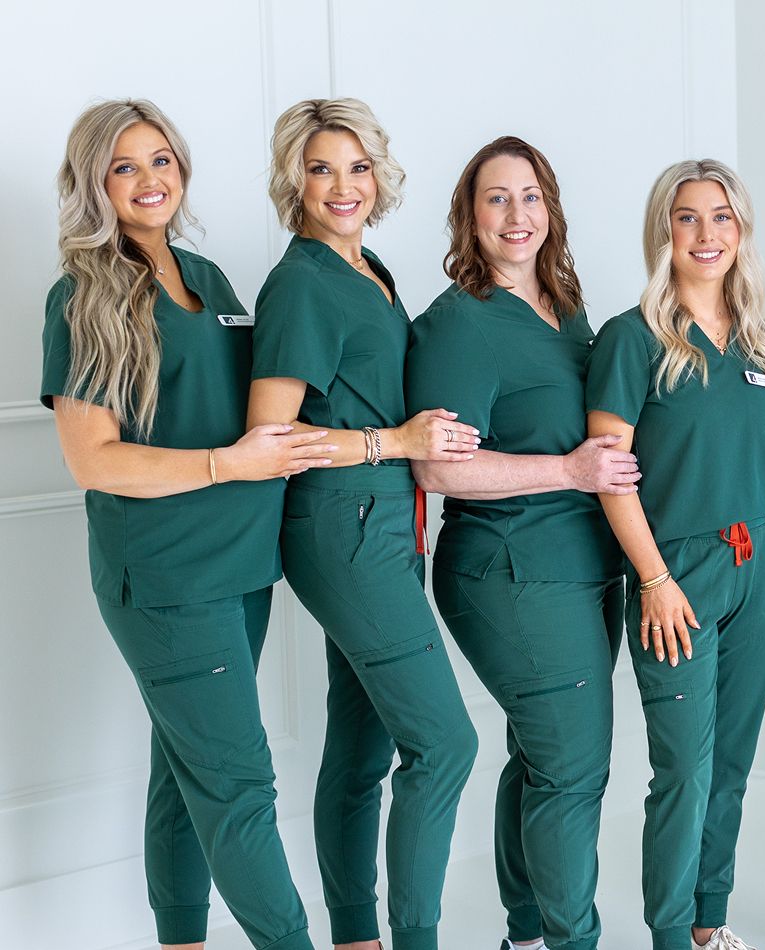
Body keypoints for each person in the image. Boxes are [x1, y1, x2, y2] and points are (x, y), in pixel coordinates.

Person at [41, 98, 328, 950]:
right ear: (95, 184)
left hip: (242, 569)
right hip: (166, 578)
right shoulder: (81, 296)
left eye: (160, 159)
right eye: (125, 166)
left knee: (186, 772)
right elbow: (93, 460)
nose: (148, 179)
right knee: (240, 787)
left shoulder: (210, 280)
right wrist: (224, 465)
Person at [248, 97, 479, 950]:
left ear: (378, 173)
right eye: (320, 169)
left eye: (356, 166)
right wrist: (396, 440)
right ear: (293, 184)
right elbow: (269, 437)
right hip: (342, 527)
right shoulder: (302, 283)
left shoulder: (368, 266)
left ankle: (354, 938)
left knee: (364, 738)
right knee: (445, 743)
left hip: (389, 521)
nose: (343, 186)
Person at [405, 135, 639, 950]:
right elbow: (439, 470)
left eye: (531, 195)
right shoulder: (460, 322)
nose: (517, 214)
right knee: (573, 771)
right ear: (469, 216)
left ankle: (526, 935)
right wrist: (570, 471)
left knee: (541, 761)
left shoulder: (566, 308)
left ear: (552, 208)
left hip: (581, 571)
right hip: (509, 572)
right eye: (496, 198)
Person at [586, 158, 765, 950]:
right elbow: (609, 474)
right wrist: (657, 580)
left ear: (742, 230)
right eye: (688, 217)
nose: (707, 234)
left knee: (731, 763)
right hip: (676, 573)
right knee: (684, 770)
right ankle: (669, 936)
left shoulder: (761, 339)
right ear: (662, 232)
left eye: (722, 217)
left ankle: (710, 924)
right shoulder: (631, 338)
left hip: (759, 563)